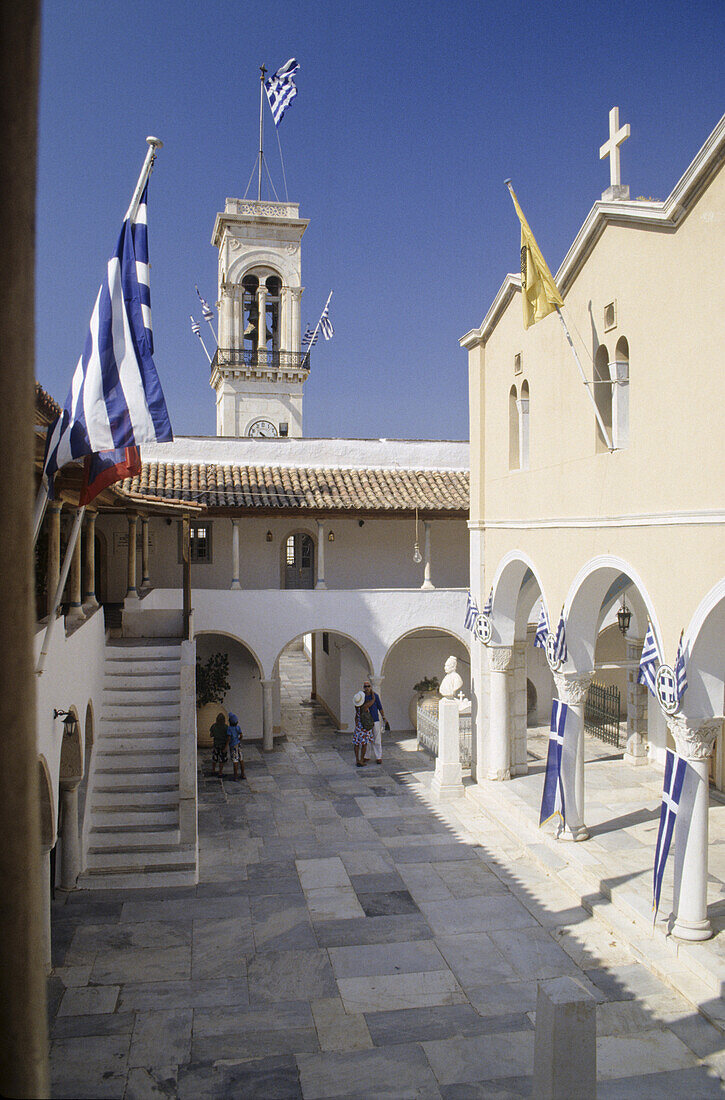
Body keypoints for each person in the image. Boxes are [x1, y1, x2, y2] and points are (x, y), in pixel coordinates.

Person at [361, 679, 387, 764]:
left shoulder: (375, 696)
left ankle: (378, 756)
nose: (367, 688)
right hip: (366, 721)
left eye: (368, 686)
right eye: (365, 686)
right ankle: (366, 756)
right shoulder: (362, 697)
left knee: (377, 738)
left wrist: (383, 717)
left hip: (375, 720)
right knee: (367, 739)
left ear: (370, 687)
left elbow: (380, 707)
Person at [352, 690, 371, 767]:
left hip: (358, 727)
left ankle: (357, 759)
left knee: (356, 744)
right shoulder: (365, 707)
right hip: (364, 728)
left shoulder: (357, 707)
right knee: (364, 744)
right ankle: (362, 760)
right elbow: (372, 701)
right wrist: (371, 693)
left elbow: (356, 717)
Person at [210, 712, 229, 778]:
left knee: (215, 758)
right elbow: (228, 737)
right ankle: (220, 772)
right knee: (222, 759)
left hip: (216, 744)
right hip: (223, 745)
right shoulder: (226, 728)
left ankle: (213, 770)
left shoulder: (214, 726)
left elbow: (211, 735)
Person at [227, 712, 245, 781]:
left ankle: (235, 776)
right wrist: (239, 740)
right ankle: (243, 774)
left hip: (233, 745)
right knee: (241, 759)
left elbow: (228, 738)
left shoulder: (229, 729)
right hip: (238, 744)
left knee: (235, 760)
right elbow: (241, 735)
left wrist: (226, 745)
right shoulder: (238, 728)